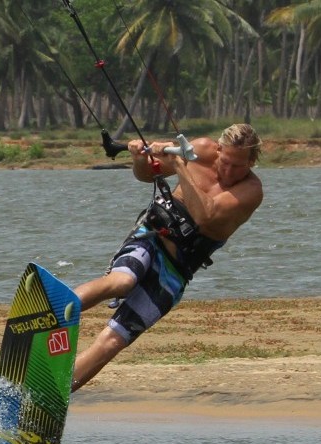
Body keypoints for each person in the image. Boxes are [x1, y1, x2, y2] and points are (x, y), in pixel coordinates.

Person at [71, 123, 263, 392]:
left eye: (239, 166)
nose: (229, 171)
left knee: (117, 337)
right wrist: (140, 159)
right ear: (218, 149)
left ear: (252, 162)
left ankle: (56, 392)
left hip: (177, 270)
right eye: (226, 161)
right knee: (122, 281)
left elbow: (204, 214)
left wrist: (181, 166)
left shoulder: (251, 192)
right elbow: (147, 175)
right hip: (151, 237)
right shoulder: (200, 150)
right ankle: (55, 311)